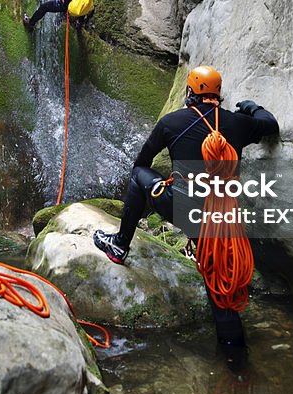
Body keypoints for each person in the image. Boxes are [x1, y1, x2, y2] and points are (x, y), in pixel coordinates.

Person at [93, 65, 279, 348]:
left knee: (138, 177)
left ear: (191, 91)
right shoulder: (237, 123)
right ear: (217, 95)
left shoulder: (172, 122)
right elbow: (270, 124)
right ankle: (236, 369)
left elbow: (142, 162)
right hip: (221, 217)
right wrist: (253, 108)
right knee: (221, 288)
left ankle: (120, 244)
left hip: (183, 208)